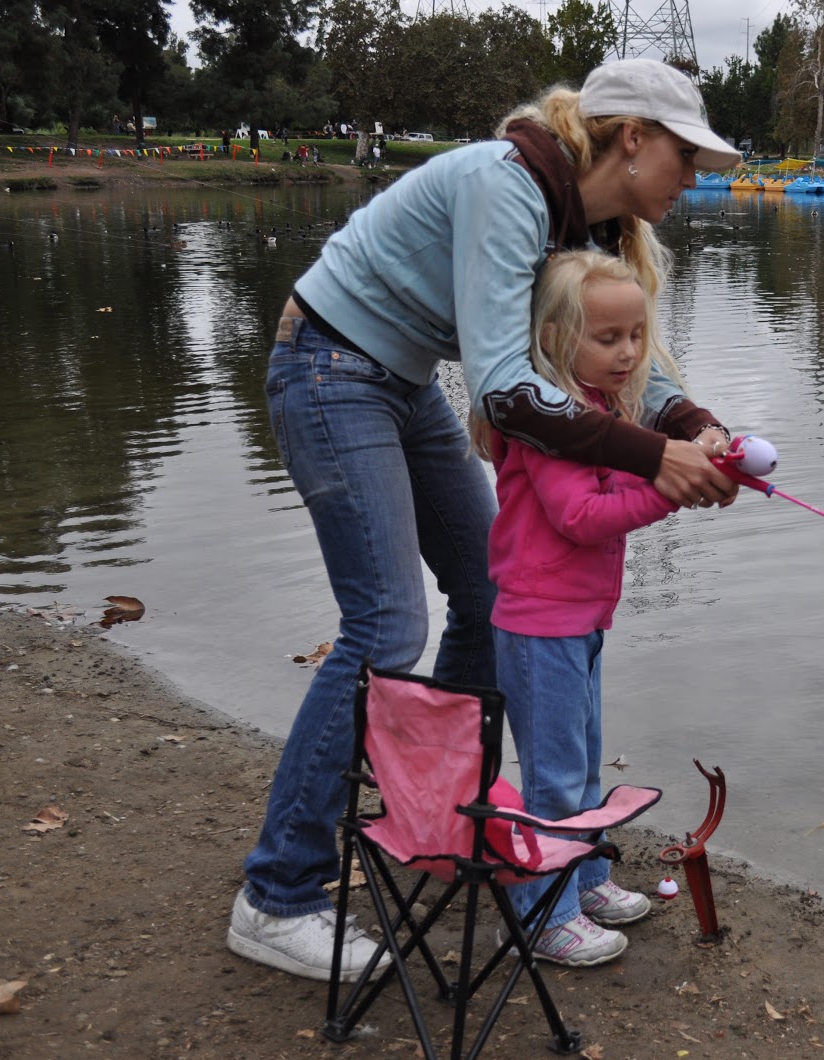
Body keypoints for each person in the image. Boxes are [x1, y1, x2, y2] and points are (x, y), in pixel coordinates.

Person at [225, 57, 744, 983]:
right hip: (330, 366)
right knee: (385, 623)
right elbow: (508, 393)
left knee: (488, 587)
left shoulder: (590, 221)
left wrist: (694, 426)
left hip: (402, 376)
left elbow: (637, 371)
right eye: (686, 157)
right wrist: (650, 458)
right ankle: (278, 894)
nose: (694, 178)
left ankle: (455, 827)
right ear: (633, 140)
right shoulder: (509, 186)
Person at [471, 249, 679, 965]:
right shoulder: (550, 422)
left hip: (581, 620)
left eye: (635, 336)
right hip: (538, 624)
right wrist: (667, 486)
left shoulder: (596, 409)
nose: (627, 353)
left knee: (583, 764)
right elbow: (580, 516)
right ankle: (538, 914)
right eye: (608, 337)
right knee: (555, 776)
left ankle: (584, 877)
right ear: (559, 339)